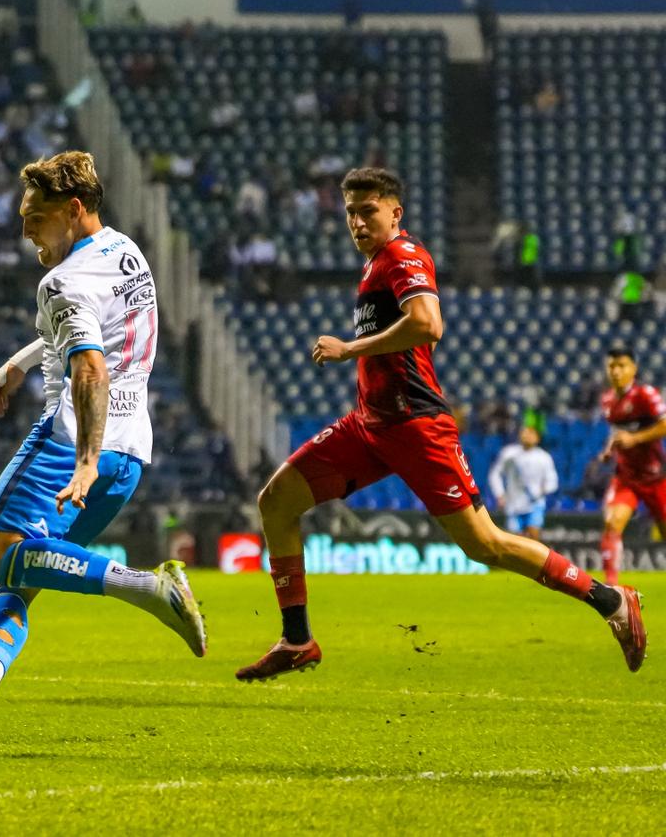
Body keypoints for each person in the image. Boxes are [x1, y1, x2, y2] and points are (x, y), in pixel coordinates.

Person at [236, 167, 645, 682]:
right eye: (350, 213)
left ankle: (610, 599)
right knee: (276, 501)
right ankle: (297, 638)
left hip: (415, 425)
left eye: (368, 211)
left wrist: (350, 348)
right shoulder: (372, 267)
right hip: (370, 426)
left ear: (395, 212)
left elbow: (430, 323)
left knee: (485, 544)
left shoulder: (403, 256)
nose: (358, 222)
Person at [0, 151, 206, 753]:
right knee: (20, 575)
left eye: (36, 218)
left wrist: (84, 460)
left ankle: (147, 587)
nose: (25, 230)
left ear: (72, 210)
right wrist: (18, 364)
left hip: (73, 444)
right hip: (130, 455)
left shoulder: (61, 280)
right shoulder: (124, 250)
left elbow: (90, 366)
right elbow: (89, 330)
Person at [598, 346, 666, 586]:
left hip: (656, 476)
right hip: (626, 477)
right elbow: (617, 433)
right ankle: (613, 587)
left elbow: (664, 424)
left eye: (622, 366)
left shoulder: (646, 395)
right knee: (612, 522)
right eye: (612, 366)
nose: (616, 371)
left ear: (633, 369)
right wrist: (609, 449)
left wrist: (634, 439)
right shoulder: (607, 400)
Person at [487, 426, 558, 541]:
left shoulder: (544, 457)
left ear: (537, 438)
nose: (527, 436)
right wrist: (499, 494)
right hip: (514, 504)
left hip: (535, 503)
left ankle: (535, 559)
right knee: (516, 541)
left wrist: (543, 490)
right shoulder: (509, 454)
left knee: (534, 537)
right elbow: (495, 474)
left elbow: (552, 481)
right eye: (524, 432)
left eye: (531, 433)